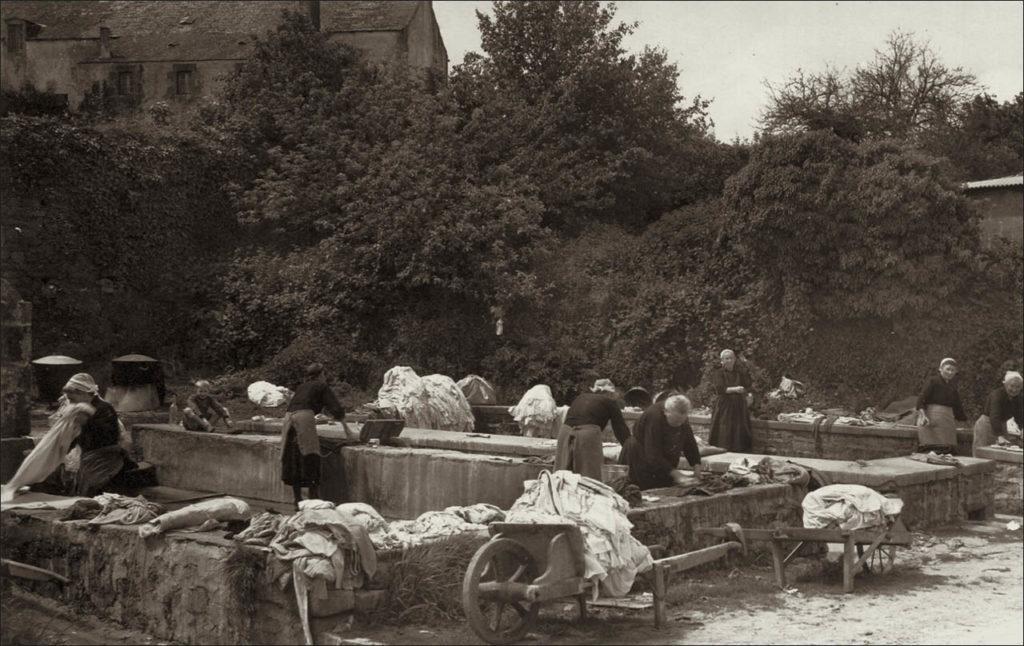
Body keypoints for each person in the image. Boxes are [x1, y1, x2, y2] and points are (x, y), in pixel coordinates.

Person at [36, 373, 135, 497]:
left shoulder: (104, 409)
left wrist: (86, 423)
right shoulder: (78, 410)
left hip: (107, 458)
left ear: (83, 394)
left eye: (72, 398)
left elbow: (107, 437)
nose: (70, 402)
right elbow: (73, 437)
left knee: (92, 492)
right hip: (89, 457)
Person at [280, 362, 345, 507]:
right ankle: (313, 499)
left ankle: (297, 500)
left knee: (293, 456)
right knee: (311, 455)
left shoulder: (302, 387)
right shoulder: (321, 385)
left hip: (288, 420)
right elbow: (335, 408)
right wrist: (341, 417)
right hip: (303, 418)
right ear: (321, 374)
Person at [618, 394, 702, 490]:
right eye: (675, 421)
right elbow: (653, 454)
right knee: (643, 491)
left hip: (660, 458)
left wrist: (697, 468)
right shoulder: (654, 417)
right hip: (639, 456)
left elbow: (690, 443)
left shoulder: (682, 416)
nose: (678, 425)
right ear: (666, 412)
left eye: (681, 421)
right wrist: (677, 475)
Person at [556, 378, 630, 480]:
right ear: (609, 393)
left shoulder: (581, 397)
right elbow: (621, 430)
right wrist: (630, 447)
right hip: (587, 434)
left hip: (565, 432)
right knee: (589, 477)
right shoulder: (610, 402)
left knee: (562, 474)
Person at [916, 357, 968, 454]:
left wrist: (964, 421)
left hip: (947, 422)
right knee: (932, 450)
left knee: (947, 451)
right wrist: (923, 416)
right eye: (948, 369)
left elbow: (958, 407)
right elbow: (921, 399)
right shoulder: (933, 381)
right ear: (940, 369)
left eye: (953, 370)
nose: (950, 372)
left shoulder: (953, 386)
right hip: (930, 419)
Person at [708, 349, 753, 452]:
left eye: (731, 358)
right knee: (725, 428)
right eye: (726, 358)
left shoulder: (740, 372)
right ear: (722, 361)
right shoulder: (718, 373)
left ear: (735, 359)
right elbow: (720, 389)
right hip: (725, 405)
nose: (729, 360)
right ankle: (723, 449)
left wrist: (749, 395)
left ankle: (738, 450)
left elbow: (748, 385)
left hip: (739, 405)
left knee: (739, 428)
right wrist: (735, 389)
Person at [973, 371, 1024, 454]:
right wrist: (999, 435)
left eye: (1018, 387)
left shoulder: (1018, 398)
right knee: (982, 453)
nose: (1014, 389)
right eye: (1012, 386)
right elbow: (994, 415)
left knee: (1001, 453)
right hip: (987, 424)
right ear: (1005, 384)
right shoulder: (997, 395)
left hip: (1001, 425)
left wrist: (1022, 428)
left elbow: (1020, 416)